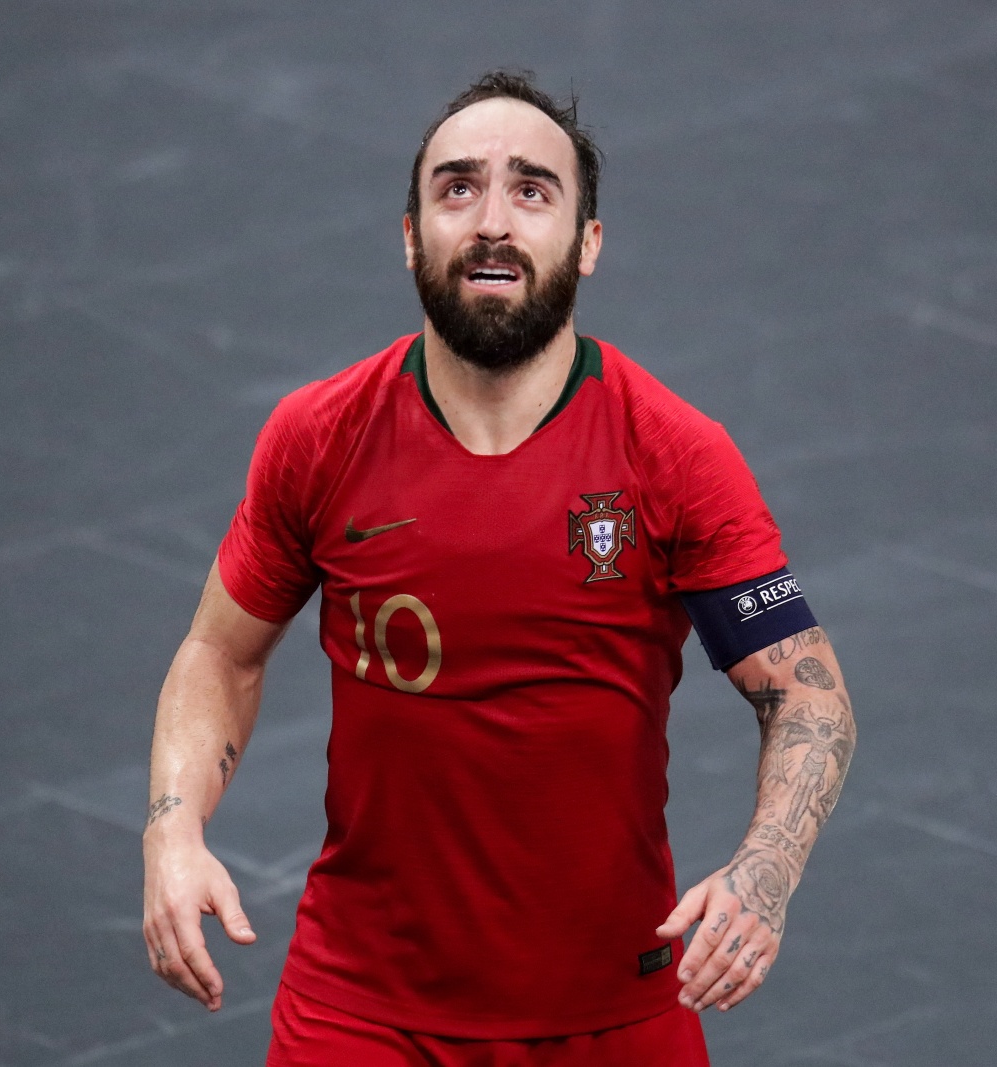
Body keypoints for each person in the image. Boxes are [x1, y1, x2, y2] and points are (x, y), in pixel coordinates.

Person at [141, 70, 856, 1067]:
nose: (490, 220)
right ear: (408, 235)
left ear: (587, 243)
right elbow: (220, 650)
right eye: (455, 187)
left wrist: (763, 873)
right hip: (362, 1012)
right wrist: (172, 830)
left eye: (531, 190)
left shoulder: (672, 453)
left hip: (618, 1011)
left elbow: (808, 697)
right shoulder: (319, 436)